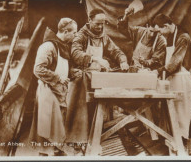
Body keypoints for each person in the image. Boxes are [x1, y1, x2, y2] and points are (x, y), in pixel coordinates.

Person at [65, 9, 129, 150]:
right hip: (82, 78)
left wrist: (122, 60)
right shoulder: (81, 35)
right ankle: (78, 141)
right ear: (90, 20)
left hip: (97, 78)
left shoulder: (103, 36)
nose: (100, 27)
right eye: (97, 24)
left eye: (103, 24)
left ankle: (95, 138)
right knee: (81, 112)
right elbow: (75, 54)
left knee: (98, 108)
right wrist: (95, 58)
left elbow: (115, 50)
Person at [28, 18, 80, 156]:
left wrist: (73, 72)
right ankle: (45, 154)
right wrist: (58, 78)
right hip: (48, 92)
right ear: (65, 31)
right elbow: (38, 69)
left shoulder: (63, 46)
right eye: (74, 33)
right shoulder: (48, 47)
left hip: (59, 93)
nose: (75, 36)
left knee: (58, 126)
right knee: (46, 127)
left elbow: (62, 68)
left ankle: (57, 152)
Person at [153, 13, 191, 148]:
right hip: (171, 78)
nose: (160, 35)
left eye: (160, 31)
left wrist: (157, 72)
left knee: (182, 112)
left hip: (181, 78)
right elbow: (164, 60)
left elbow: (174, 63)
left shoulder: (183, 37)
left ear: (165, 26)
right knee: (171, 111)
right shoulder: (169, 37)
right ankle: (173, 141)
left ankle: (182, 144)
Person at [117, 6, 166, 72]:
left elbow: (156, 60)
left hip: (149, 72)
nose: (152, 35)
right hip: (133, 68)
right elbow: (122, 29)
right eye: (151, 31)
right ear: (147, 26)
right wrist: (126, 15)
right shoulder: (139, 31)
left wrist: (145, 62)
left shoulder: (161, 41)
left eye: (156, 33)